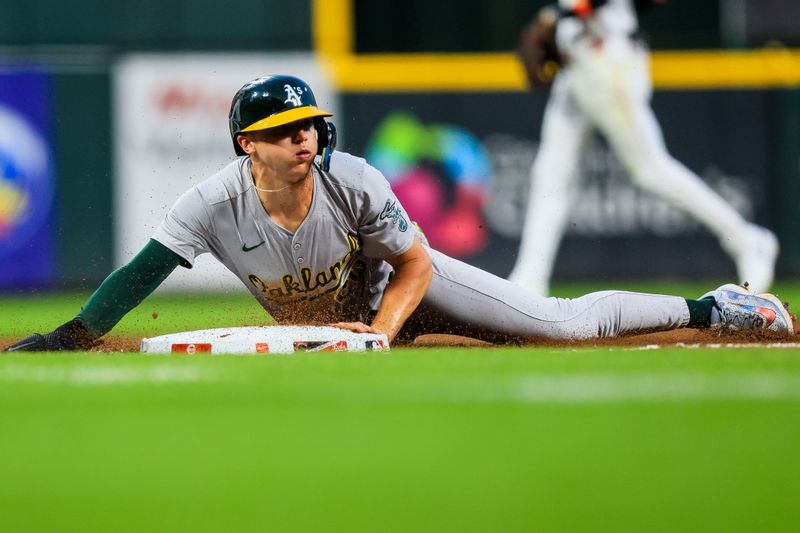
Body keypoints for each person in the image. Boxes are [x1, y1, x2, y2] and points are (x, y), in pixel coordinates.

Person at [2, 74, 792, 352]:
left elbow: (414, 261)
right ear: (249, 144)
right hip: (341, 327)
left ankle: (717, 305)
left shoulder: (354, 178)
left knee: (557, 324)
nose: (305, 136)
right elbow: (140, 273)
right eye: (284, 131)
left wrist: (381, 330)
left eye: (309, 123)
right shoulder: (211, 203)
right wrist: (74, 334)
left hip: (404, 293)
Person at [508, 0, 779, 296]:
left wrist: (560, 14)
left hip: (606, 62)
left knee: (651, 170)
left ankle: (746, 240)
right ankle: (529, 281)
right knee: (551, 175)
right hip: (578, 64)